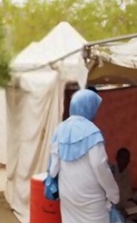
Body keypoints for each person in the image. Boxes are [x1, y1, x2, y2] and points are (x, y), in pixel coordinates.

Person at [49, 89, 119, 223]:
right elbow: (100, 167)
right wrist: (113, 194)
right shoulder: (92, 131)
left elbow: (53, 170)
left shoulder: (60, 129)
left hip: (67, 195)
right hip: (90, 198)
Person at [110, 148, 137, 216]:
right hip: (110, 202)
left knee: (136, 210)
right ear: (117, 158)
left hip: (123, 203)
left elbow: (127, 195)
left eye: (127, 159)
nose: (125, 161)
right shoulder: (111, 170)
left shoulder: (127, 174)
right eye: (122, 158)